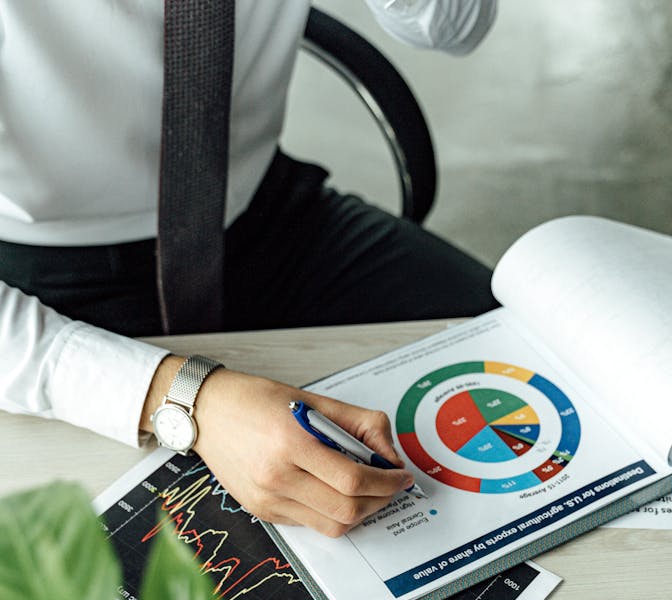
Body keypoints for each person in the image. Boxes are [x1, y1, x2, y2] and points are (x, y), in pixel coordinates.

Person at [0, 0, 498, 535]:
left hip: (267, 214)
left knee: (521, 351)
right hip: (49, 278)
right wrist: (189, 399)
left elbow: (453, 26)